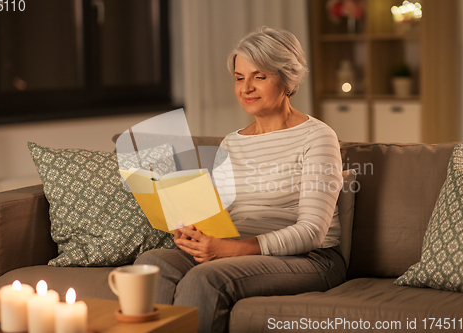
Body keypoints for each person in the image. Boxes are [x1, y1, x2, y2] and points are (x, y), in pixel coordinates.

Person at [134, 26, 346, 333]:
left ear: (287, 79)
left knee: (205, 278)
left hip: (311, 258)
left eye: (259, 76)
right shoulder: (231, 143)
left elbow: (312, 231)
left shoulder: (318, 137)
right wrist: (191, 230)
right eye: (239, 77)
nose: (245, 87)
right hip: (233, 250)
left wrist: (227, 251)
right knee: (153, 263)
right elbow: (220, 215)